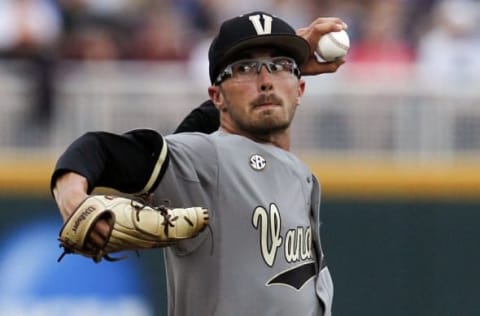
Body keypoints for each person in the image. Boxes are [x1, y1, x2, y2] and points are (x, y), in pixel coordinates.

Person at [51, 11, 347, 316]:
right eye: (244, 68)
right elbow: (99, 149)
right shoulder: (209, 158)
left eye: (280, 66)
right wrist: (72, 198)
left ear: (300, 89)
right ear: (216, 96)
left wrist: (282, 63)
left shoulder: (300, 175)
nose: (266, 81)